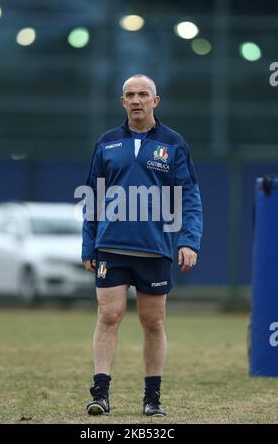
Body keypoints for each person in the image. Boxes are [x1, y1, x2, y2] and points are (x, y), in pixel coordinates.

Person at [81, 74, 203, 417]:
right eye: (130, 95)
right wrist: (88, 244)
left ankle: (152, 398)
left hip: (155, 248)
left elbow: (190, 197)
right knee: (109, 315)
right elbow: (93, 197)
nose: (136, 100)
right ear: (122, 102)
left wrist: (189, 241)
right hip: (111, 247)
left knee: (153, 322)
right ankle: (100, 393)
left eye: (143, 94)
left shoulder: (174, 143)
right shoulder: (106, 143)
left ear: (155, 101)